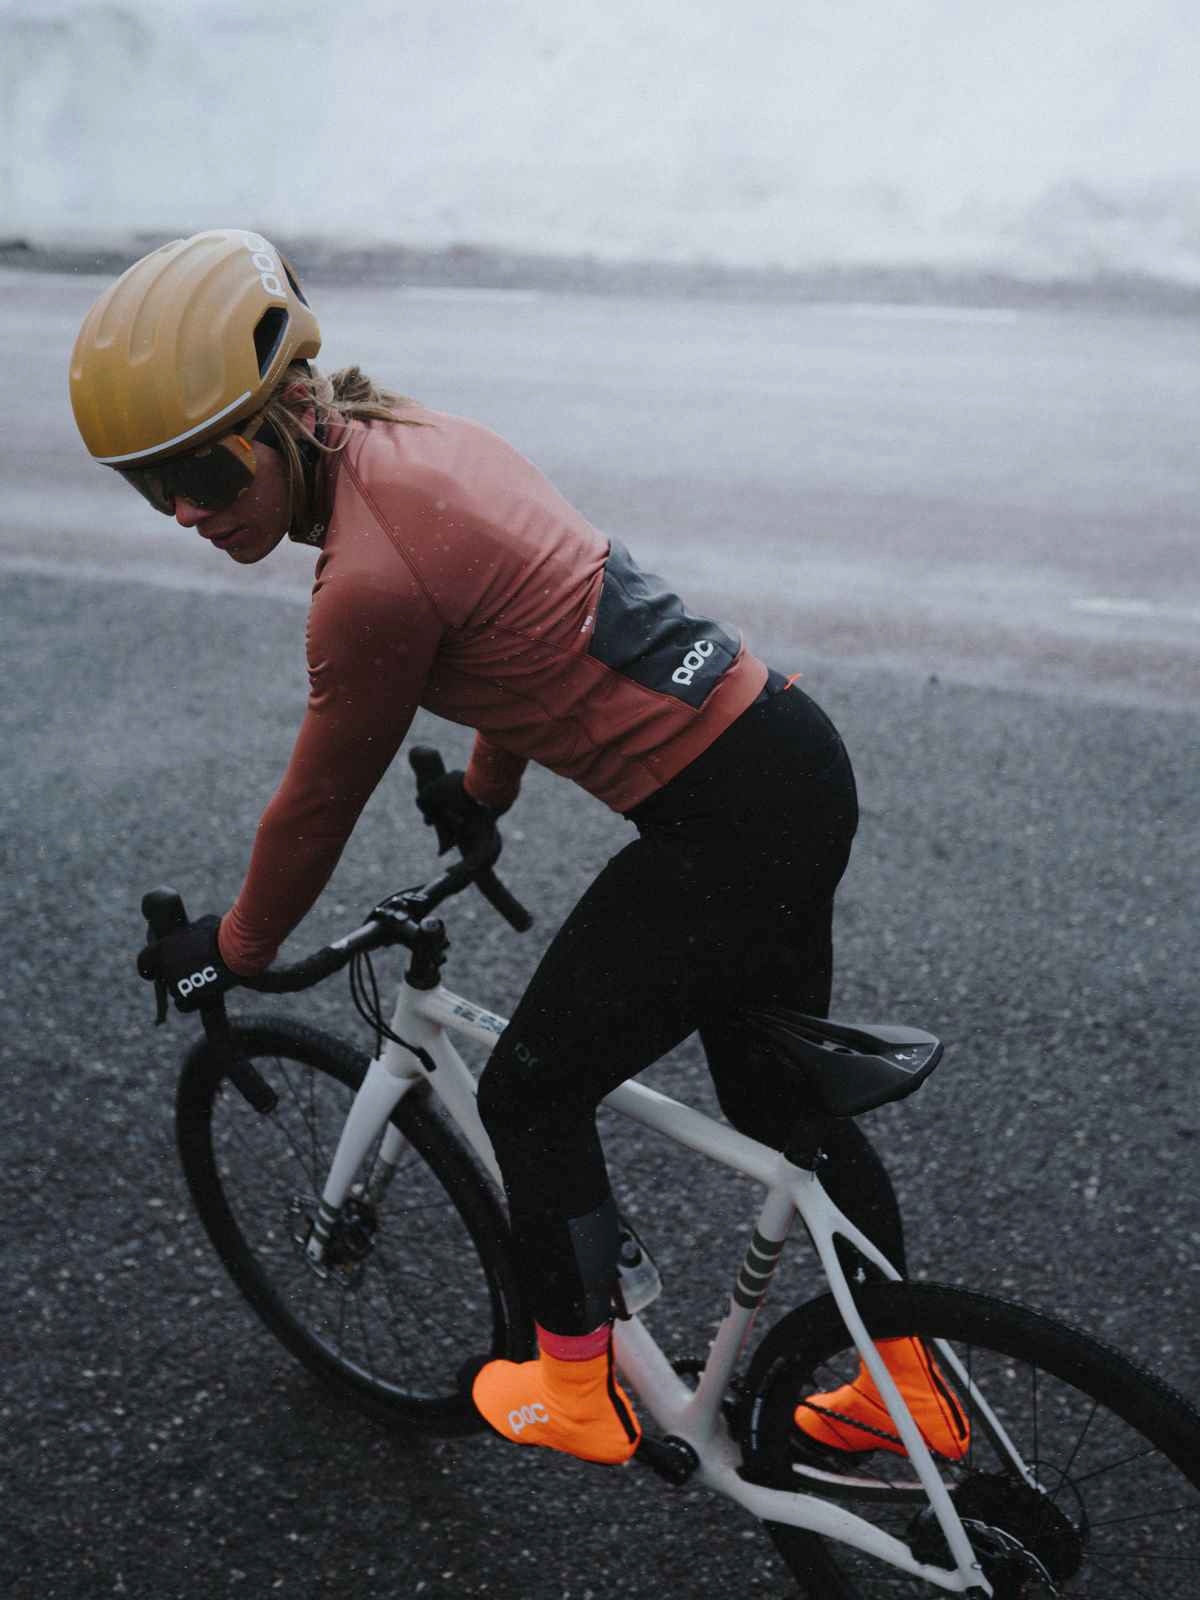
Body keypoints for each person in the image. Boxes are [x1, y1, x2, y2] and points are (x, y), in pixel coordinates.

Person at [71, 229, 966, 1468]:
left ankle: (574, 1387)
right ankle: (906, 1383)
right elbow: (534, 629)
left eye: (202, 472)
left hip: (722, 825)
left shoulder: (364, 583)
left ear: (284, 418)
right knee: (775, 1096)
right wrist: (484, 793)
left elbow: (317, 802)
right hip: (788, 754)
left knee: (530, 1092)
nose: (183, 511)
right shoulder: (422, 441)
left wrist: (235, 949)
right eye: (149, 487)